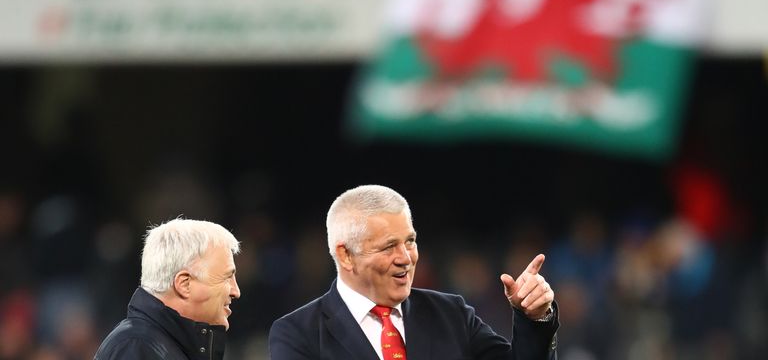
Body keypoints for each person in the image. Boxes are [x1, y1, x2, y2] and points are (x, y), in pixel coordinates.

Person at [269, 185, 559, 360]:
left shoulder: (451, 314)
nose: (405, 258)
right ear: (346, 255)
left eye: (410, 241)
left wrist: (533, 319)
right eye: (388, 246)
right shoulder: (298, 333)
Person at [94, 218, 241, 360]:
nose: (236, 292)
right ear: (184, 284)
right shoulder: (136, 346)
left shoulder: (164, 345)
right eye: (226, 277)